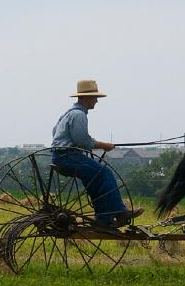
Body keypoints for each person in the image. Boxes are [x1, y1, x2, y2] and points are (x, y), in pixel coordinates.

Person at [51, 80, 143, 227]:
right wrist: (103, 145)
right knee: (104, 174)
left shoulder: (67, 114)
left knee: (94, 179)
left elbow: (55, 132)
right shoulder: (79, 115)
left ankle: (105, 216)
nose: (97, 100)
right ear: (85, 98)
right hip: (68, 157)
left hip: (59, 156)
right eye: (94, 97)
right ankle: (116, 214)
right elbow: (82, 140)